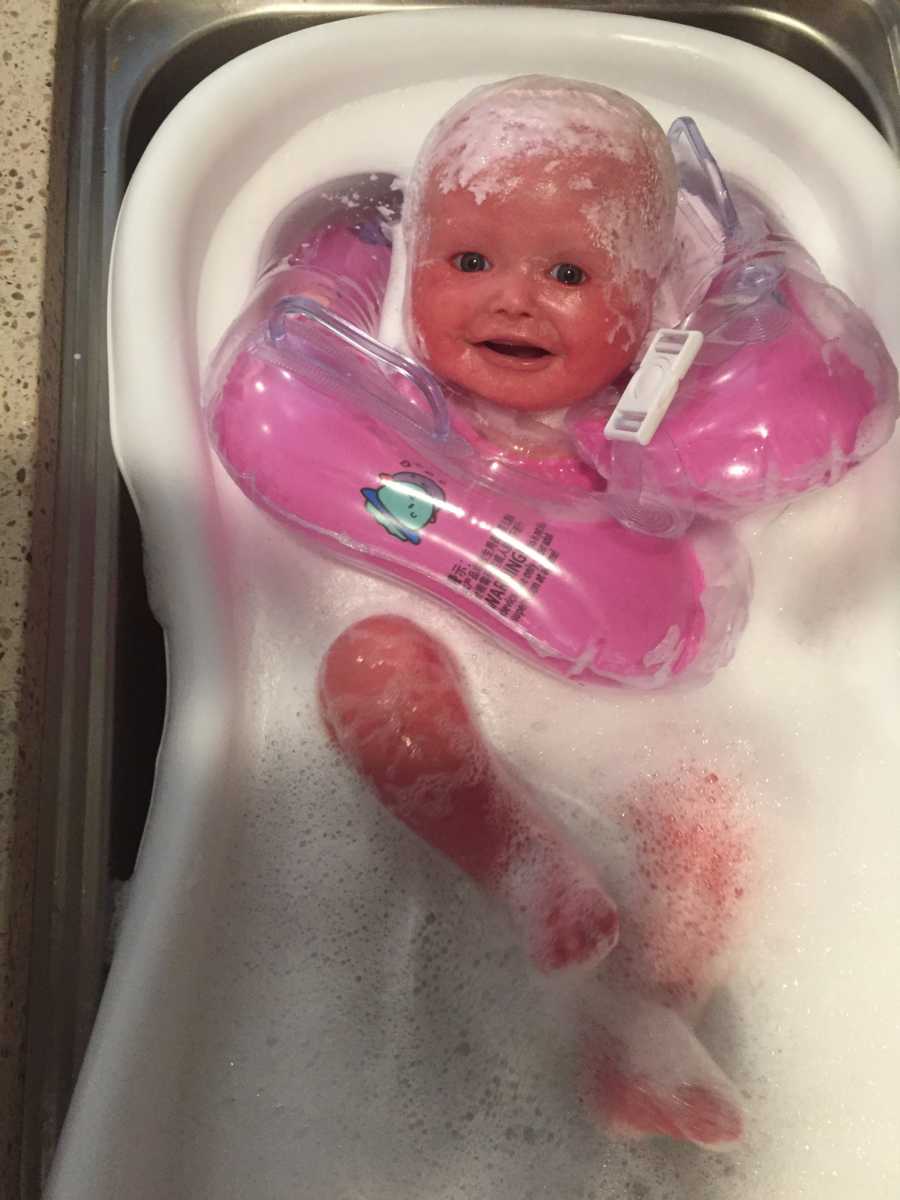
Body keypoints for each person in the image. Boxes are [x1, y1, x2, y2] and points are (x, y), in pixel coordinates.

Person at [319, 77, 749, 1149]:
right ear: (416, 261)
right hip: (448, 675)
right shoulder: (384, 390)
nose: (513, 300)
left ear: (645, 302)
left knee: (710, 818)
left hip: (606, 709)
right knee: (371, 669)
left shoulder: (635, 429)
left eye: (568, 272)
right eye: (470, 262)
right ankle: (523, 866)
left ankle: (647, 1022)